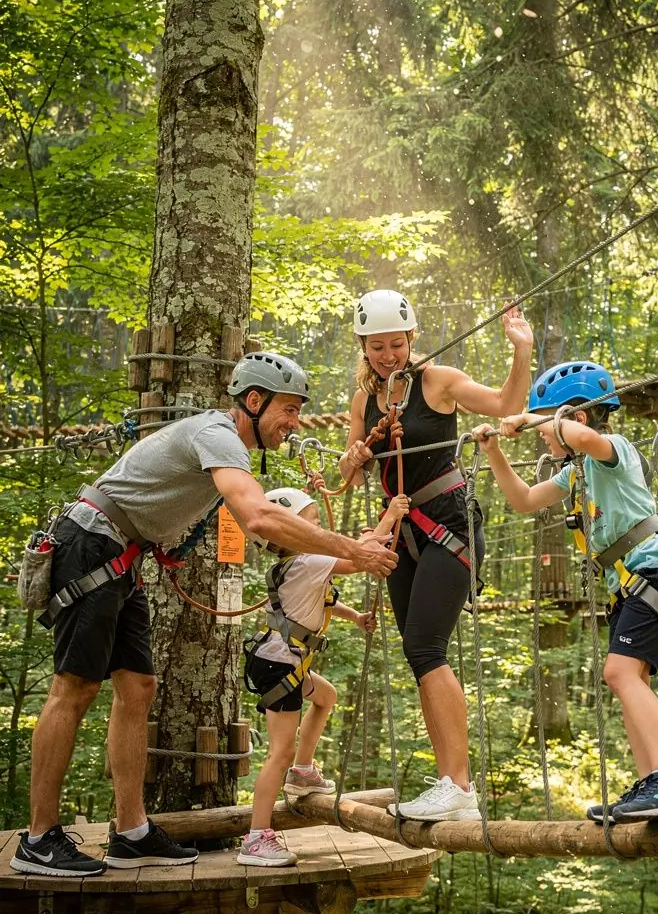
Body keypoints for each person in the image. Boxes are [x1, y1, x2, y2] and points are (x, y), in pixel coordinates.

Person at [12, 352, 397, 880]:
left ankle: (131, 832)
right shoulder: (219, 435)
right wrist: (352, 549)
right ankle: (38, 839)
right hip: (93, 547)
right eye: (287, 409)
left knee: (138, 687)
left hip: (121, 554)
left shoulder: (223, 444)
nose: (294, 422)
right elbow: (261, 518)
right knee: (74, 688)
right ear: (254, 401)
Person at [473, 360, 658, 824]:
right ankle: (652, 784)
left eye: (548, 421)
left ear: (576, 417)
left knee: (619, 673)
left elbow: (584, 439)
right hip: (634, 581)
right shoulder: (575, 474)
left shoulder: (612, 449)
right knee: (625, 677)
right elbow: (522, 500)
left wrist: (529, 417)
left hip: (656, 568)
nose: (541, 433)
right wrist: (496, 450)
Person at [338, 288, 533, 823]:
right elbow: (350, 472)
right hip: (402, 533)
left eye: (395, 344)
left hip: (449, 524)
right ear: (363, 346)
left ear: (410, 339)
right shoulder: (365, 401)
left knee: (426, 647)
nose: (387, 355)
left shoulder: (437, 382)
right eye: (376, 347)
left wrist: (521, 351)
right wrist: (352, 455)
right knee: (418, 654)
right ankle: (451, 784)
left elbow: (506, 408)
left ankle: (459, 786)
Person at [239, 485, 409, 867]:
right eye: (311, 524)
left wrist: (356, 618)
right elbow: (360, 559)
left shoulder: (299, 565)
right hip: (281, 665)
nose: (319, 531)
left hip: (280, 660)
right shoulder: (306, 562)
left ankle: (303, 771)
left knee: (326, 696)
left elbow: (325, 598)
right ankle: (256, 836)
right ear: (289, 533)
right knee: (278, 750)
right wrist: (391, 516)